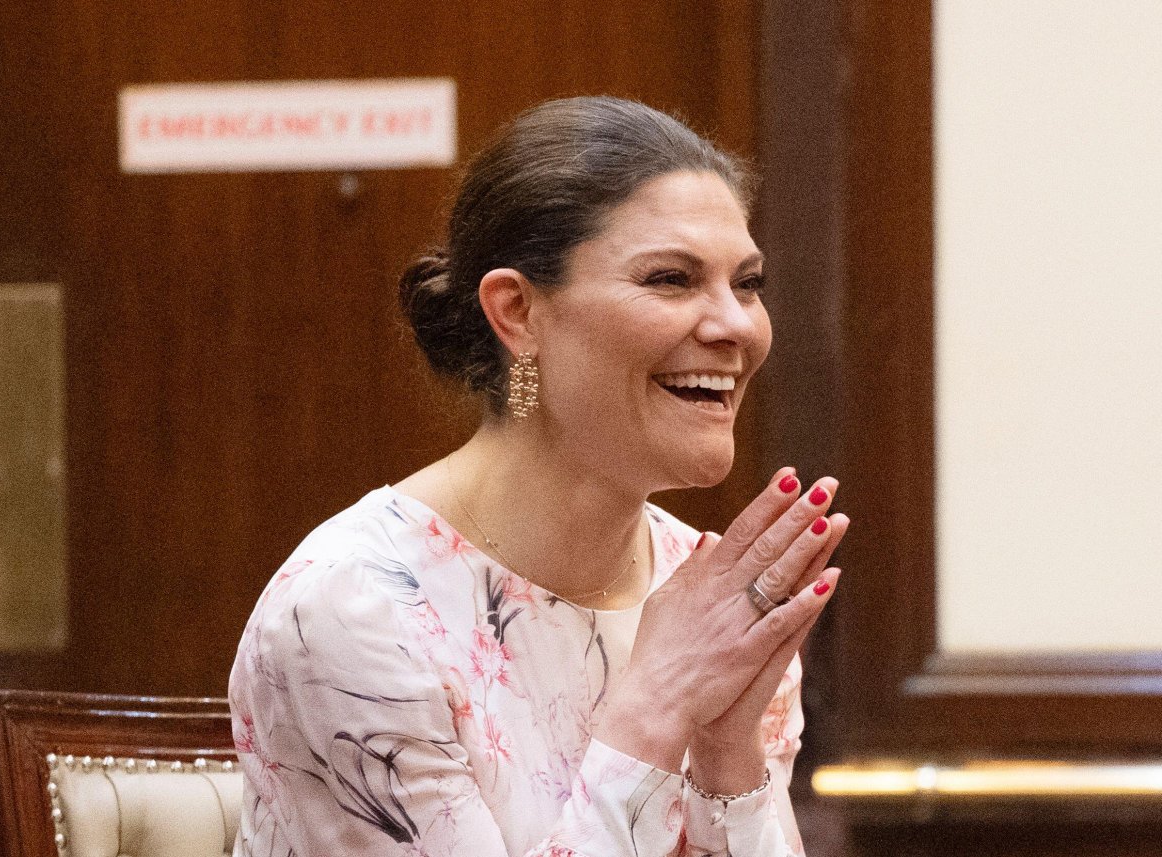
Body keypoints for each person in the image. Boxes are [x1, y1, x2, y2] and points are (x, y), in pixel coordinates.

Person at [229, 96, 848, 857]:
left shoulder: (707, 594)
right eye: (671, 279)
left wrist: (729, 756)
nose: (736, 326)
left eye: (747, 284)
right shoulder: (358, 609)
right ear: (517, 311)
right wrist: (653, 705)